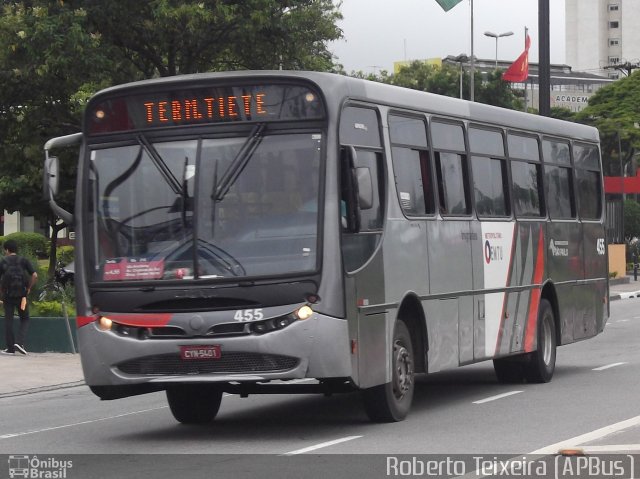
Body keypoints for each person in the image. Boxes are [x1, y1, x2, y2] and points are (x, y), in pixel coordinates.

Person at [0, 239, 38, 355]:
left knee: (9, 321)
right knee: (25, 318)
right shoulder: (24, 260)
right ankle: (19, 342)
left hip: (8, 295)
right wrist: (29, 288)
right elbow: (35, 275)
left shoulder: (3, 262)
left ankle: (10, 348)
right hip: (22, 296)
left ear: (7, 250)